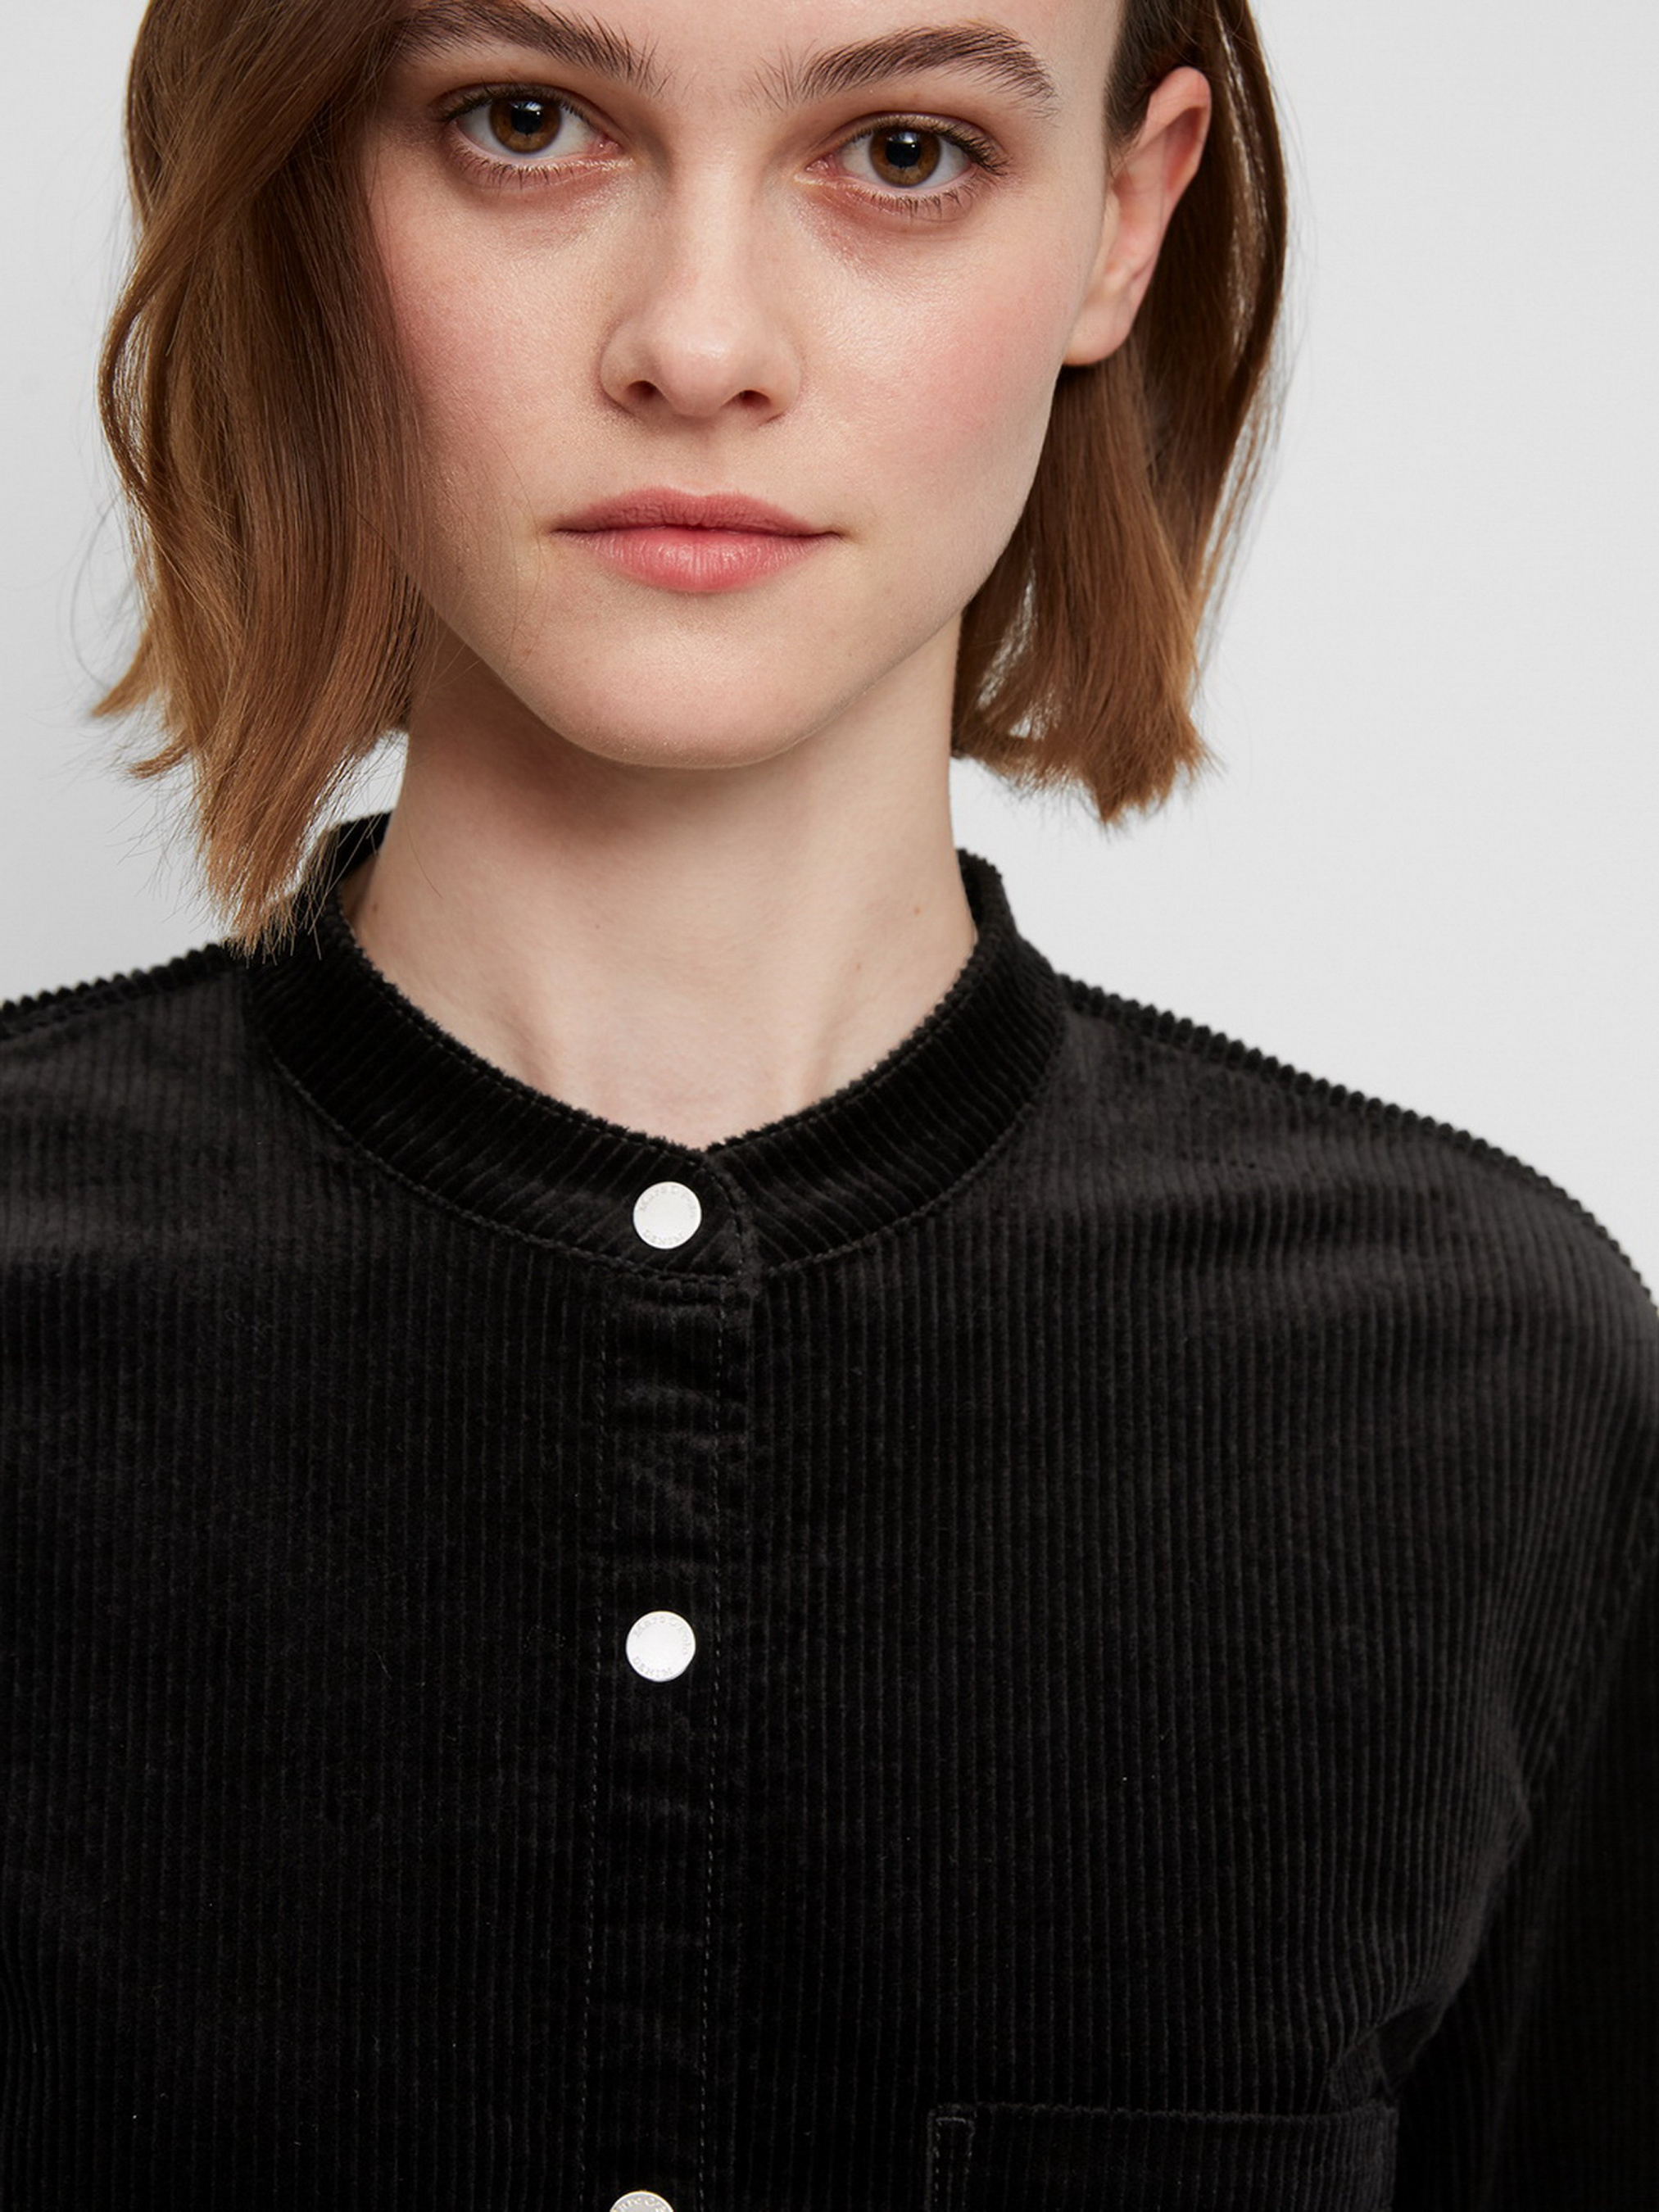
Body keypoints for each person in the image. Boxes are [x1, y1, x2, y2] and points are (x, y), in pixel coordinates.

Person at [2, 0, 1653, 2205]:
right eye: (525, 122)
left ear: (1124, 218)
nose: (699, 346)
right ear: (307, 184)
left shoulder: (1493, 1398)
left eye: (902, 152)